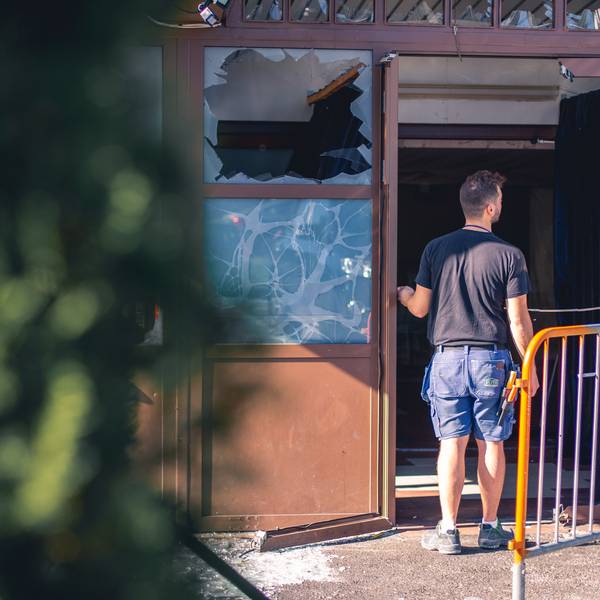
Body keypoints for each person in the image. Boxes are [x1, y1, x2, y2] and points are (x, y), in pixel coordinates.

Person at [397, 170, 539, 555]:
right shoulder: (509, 255)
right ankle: (490, 527)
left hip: (447, 360)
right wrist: (530, 367)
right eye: (501, 202)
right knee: (491, 441)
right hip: (491, 361)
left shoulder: (436, 249)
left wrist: (403, 293)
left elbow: (420, 308)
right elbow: (517, 321)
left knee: (451, 444)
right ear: (490, 208)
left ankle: (448, 530)